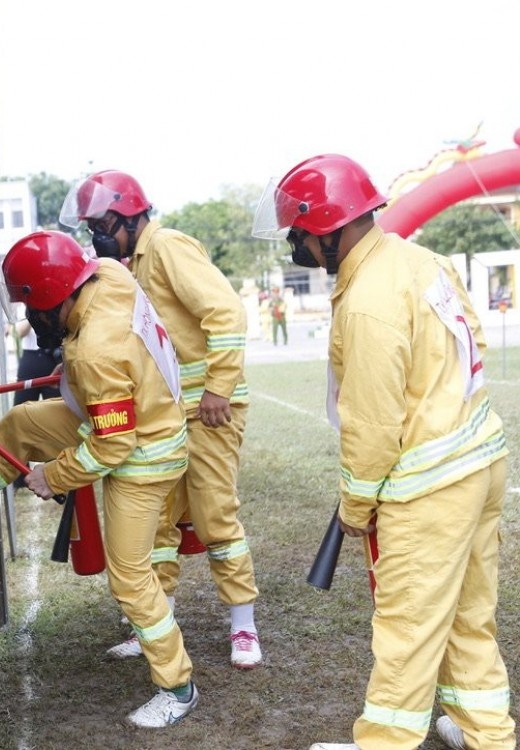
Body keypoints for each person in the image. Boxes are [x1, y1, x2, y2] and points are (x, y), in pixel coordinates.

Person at [253, 153, 514, 750]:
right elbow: (470, 347)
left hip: (428, 487)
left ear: (328, 228)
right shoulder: (420, 261)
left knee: (407, 631)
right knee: (469, 620)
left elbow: (371, 425)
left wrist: (355, 503)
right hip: (478, 462)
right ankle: (487, 736)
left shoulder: (368, 300)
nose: (295, 244)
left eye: (298, 231)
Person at [0, 230, 196, 728]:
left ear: (53, 300)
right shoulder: (109, 272)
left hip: (144, 456)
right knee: (24, 423)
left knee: (129, 576)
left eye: (31, 309)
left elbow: (115, 445)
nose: (30, 323)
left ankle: (177, 686)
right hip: (132, 420)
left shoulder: (95, 350)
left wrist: (54, 475)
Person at [60, 170, 262, 670]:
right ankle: (158, 618)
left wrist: (218, 389)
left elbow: (227, 313)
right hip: (171, 415)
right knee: (160, 524)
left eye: (103, 223)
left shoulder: (168, 247)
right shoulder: (132, 265)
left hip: (210, 410)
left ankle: (243, 626)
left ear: (130, 214)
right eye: (91, 227)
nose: (98, 236)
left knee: (216, 516)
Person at [11, 314, 61, 405]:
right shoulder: (25, 305)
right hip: (30, 357)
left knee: (56, 405)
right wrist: (33, 312)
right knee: (22, 406)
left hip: (52, 357)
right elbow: (19, 332)